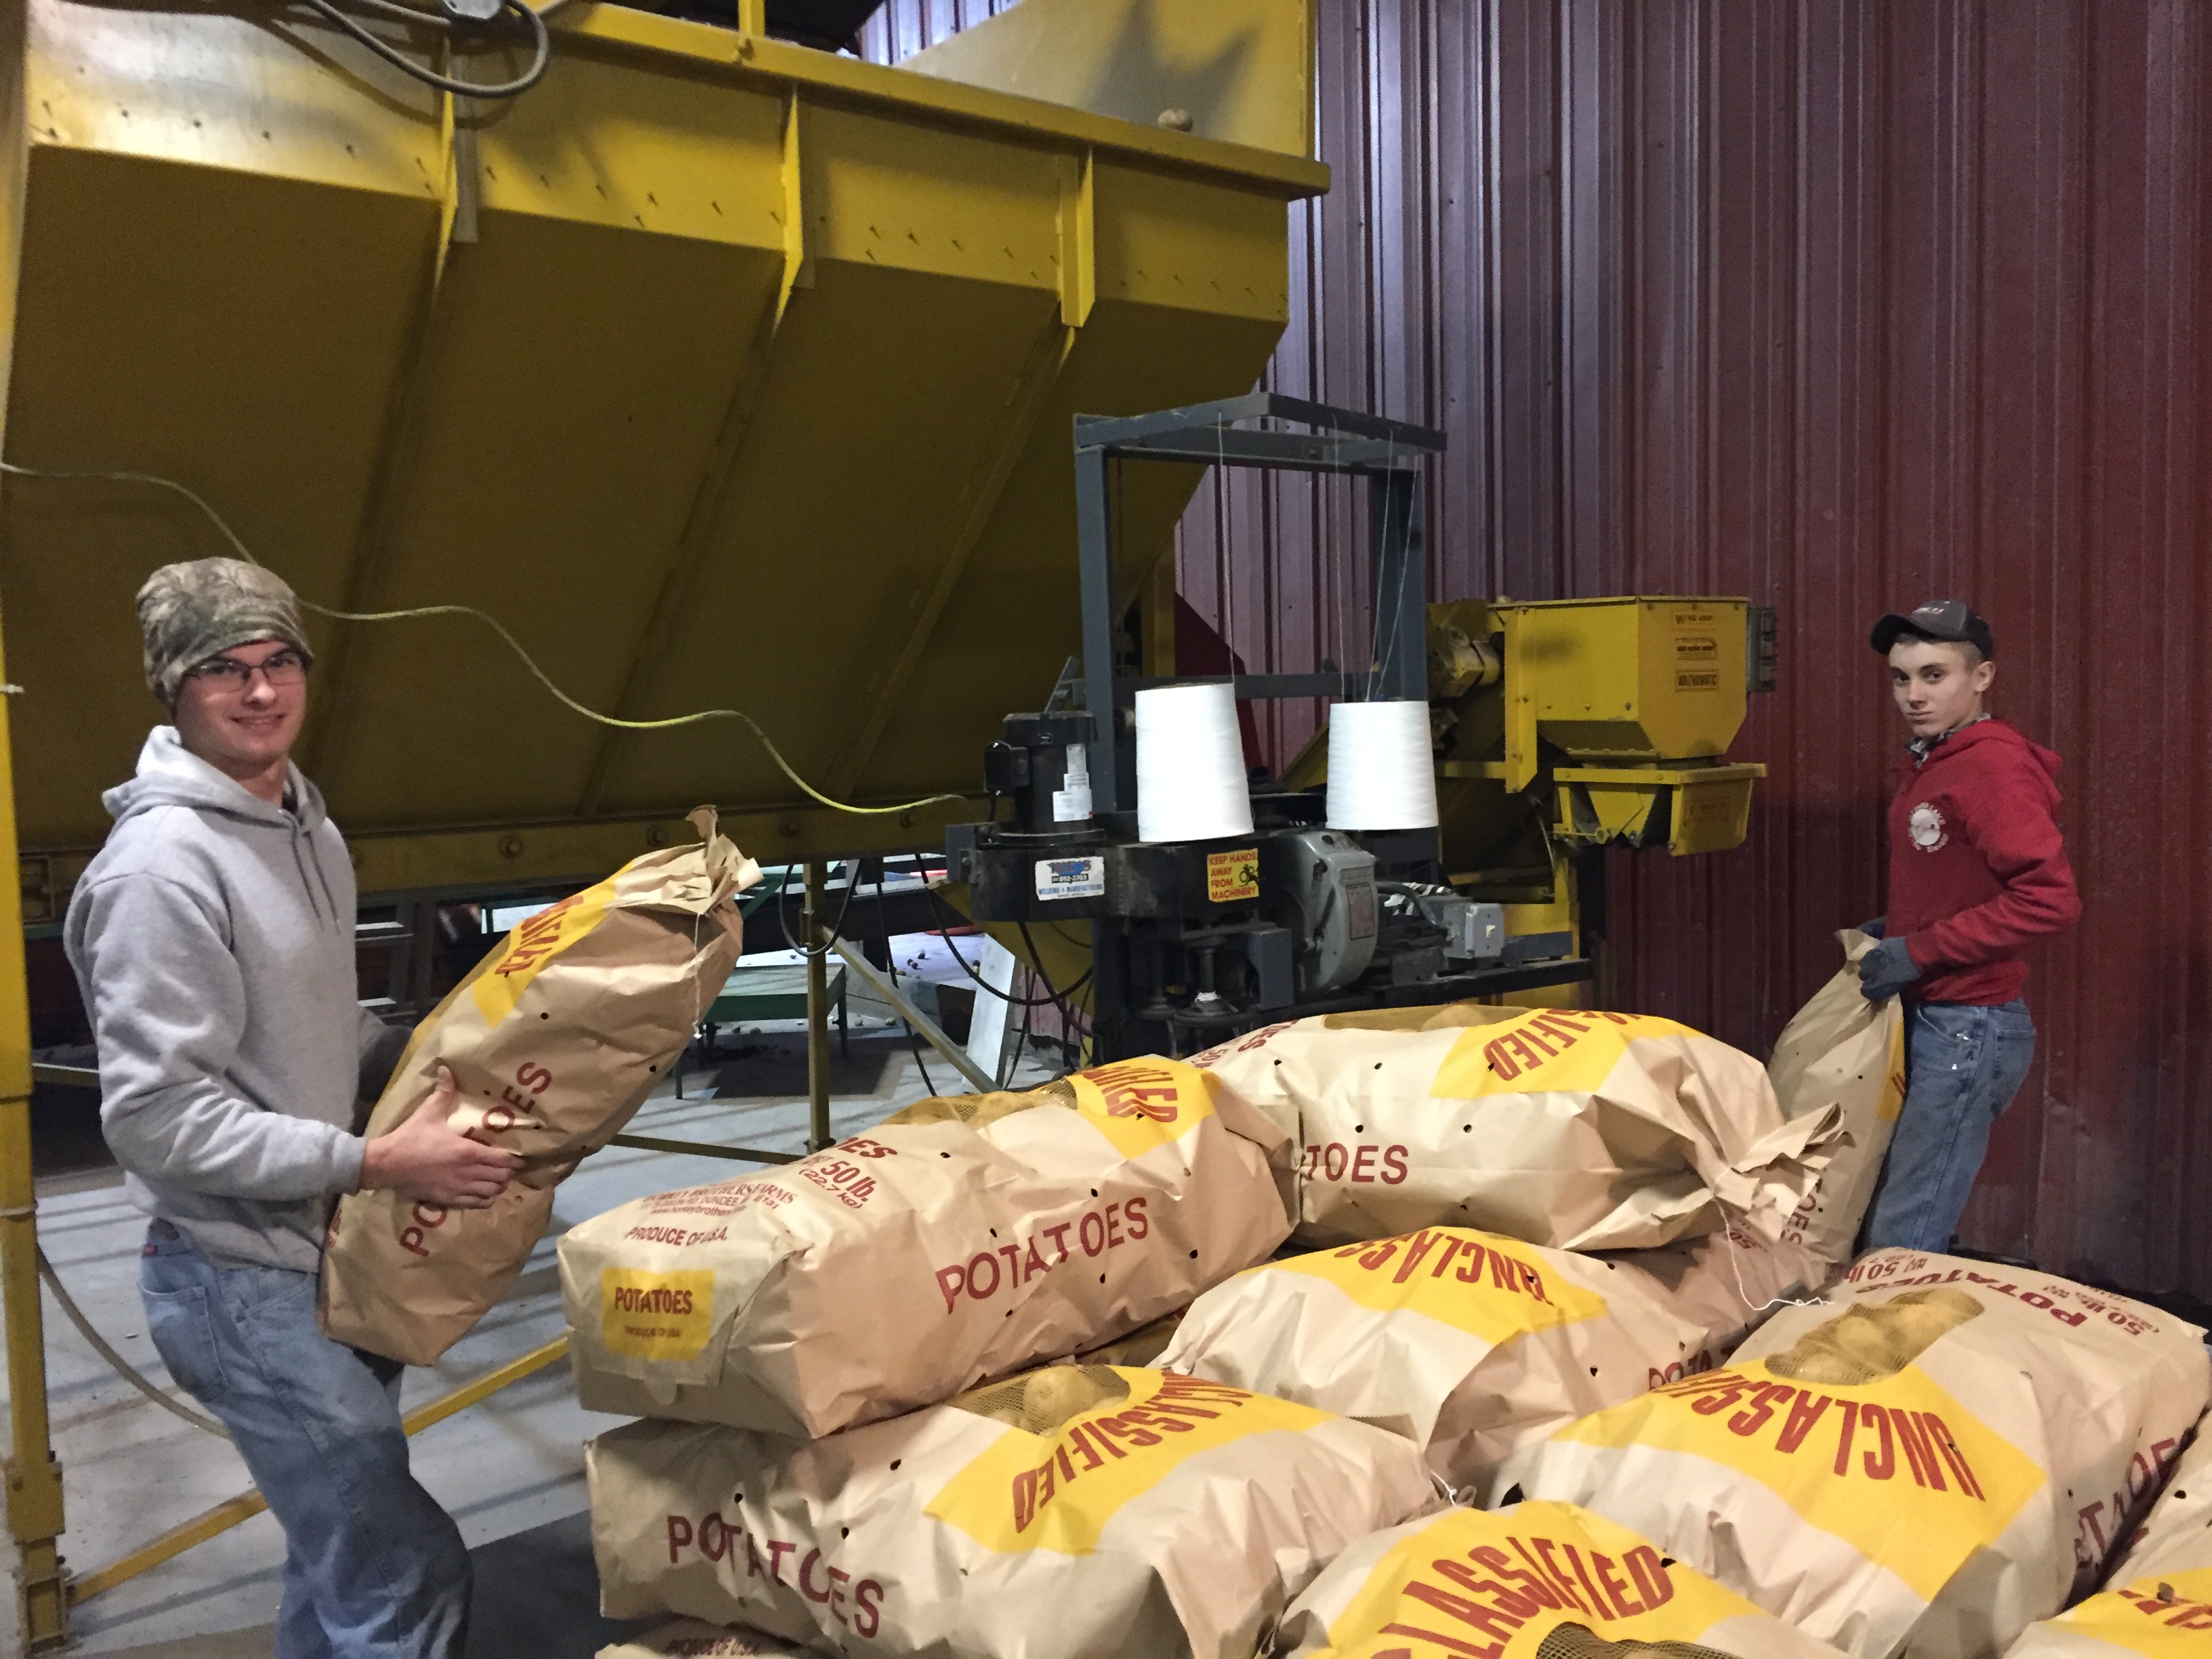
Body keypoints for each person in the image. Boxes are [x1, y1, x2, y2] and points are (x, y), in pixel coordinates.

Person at [64, 558, 521, 1657]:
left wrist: (422, 1044)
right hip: (236, 1281)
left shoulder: (306, 823)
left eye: (279, 663)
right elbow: (157, 1113)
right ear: (174, 690)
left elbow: (304, 1028)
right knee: (401, 1568)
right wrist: (375, 1160)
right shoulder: (160, 869)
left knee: (338, 1562)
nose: (260, 691)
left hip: (324, 1256)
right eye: (223, 669)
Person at [1855, 599, 2079, 1254]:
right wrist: (1899, 925)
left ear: (1982, 679)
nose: (1914, 695)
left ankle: (1882, 1353)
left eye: (1934, 675)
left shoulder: (1991, 767)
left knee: (1908, 1228)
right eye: (1901, 678)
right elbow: (1957, 876)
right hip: (1929, 1015)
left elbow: (2050, 899)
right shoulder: (1936, 760)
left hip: (1967, 1025)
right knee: (1889, 1204)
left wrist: (1921, 947)